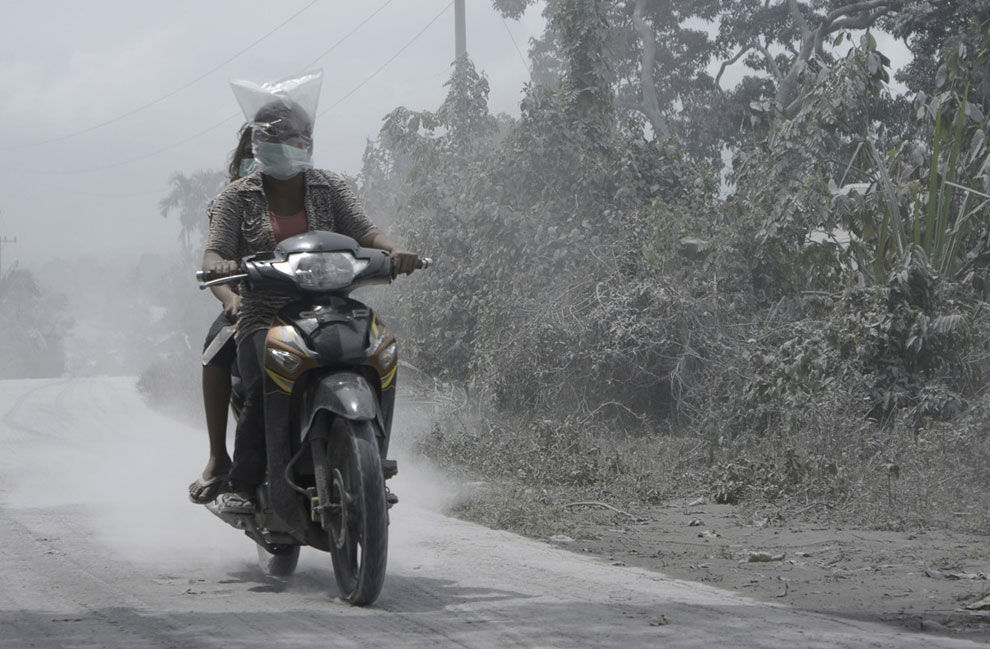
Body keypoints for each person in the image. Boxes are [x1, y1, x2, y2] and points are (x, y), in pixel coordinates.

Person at [203, 98, 418, 515]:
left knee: (377, 353)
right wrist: (222, 268)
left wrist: (398, 251)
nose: (290, 144)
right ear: (259, 144)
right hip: (263, 311)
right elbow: (213, 254)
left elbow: (365, 231)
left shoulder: (330, 186)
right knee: (268, 373)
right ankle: (244, 484)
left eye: (298, 136)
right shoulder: (237, 196)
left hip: (332, 304)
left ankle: (370, 464)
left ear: (310, 141)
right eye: (279, 137)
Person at [187, 125, 258, 505]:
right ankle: (219, 457)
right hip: (250, 302)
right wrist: (230, 297)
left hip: (308, 298)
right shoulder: (229, 201)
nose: (260, 156)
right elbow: (214, 261)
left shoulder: (312, 194)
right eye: (251, 149)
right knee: (215, 351)